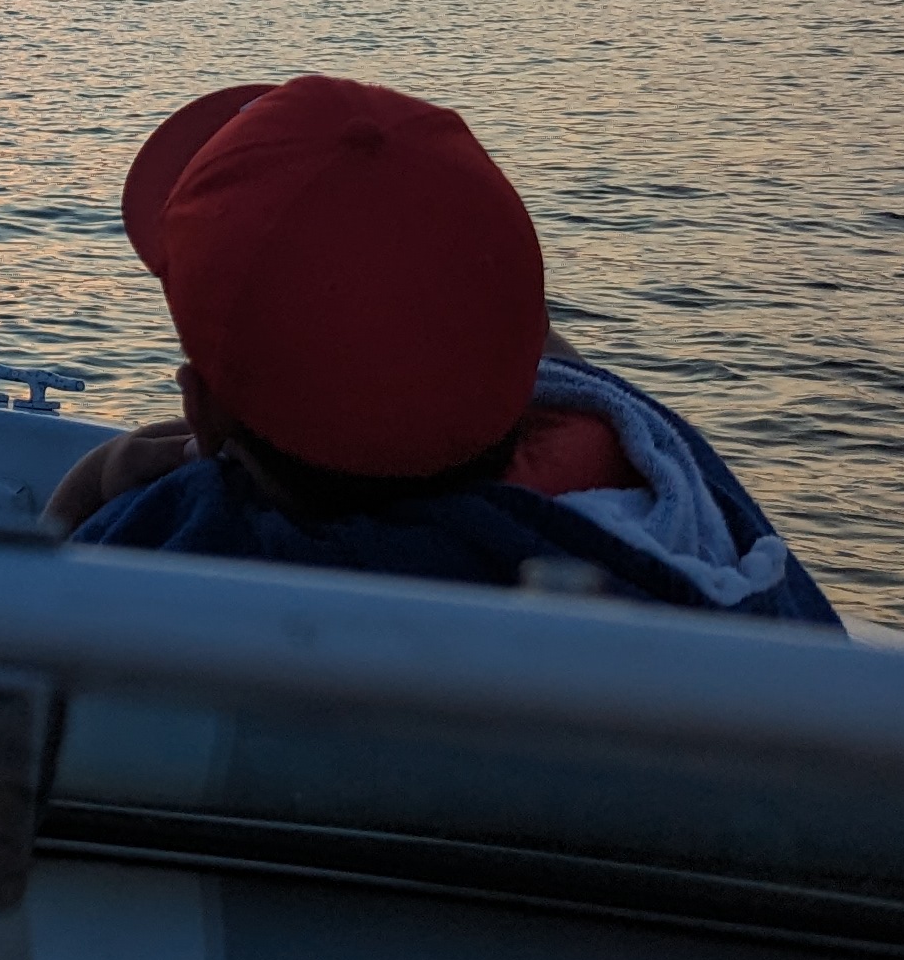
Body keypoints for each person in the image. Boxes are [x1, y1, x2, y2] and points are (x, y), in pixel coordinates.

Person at [43, 73, 840, 623]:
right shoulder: (668, 481)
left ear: (202, 415)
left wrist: (96, 477)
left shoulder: (187, 541)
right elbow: (545, 353)